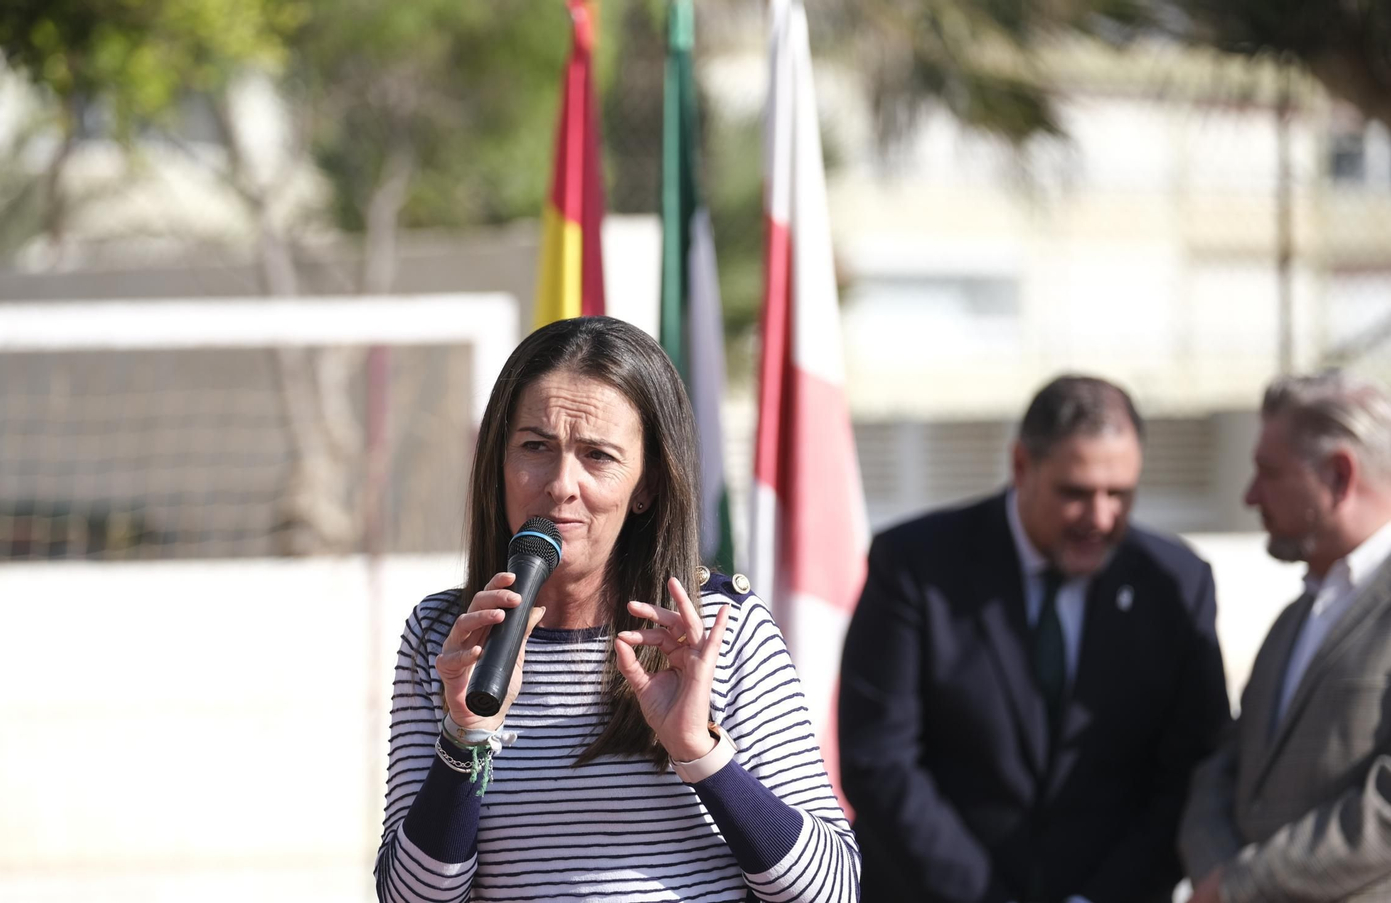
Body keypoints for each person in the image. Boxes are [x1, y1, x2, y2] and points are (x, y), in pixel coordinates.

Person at [374, 316, 861, 902]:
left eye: (597, 456)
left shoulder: (716, 630)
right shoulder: (444, 636)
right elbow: (411, 897)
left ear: (646, 485)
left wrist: (700, 752)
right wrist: (465, 735)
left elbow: (831, 889)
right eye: (535, 447)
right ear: (498, 463)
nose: (561, 484)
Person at [838, 375, 1230, 903]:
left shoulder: (1176, 584)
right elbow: (879, 761)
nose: (1100, 517)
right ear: (1022, 465)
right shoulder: (915, 566)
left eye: (1119, 494)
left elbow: (1193, 770)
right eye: (1075, 493)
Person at [1179, 371, 1391, 903]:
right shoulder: (1297, 617)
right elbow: (1225, 765)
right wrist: (1216, 872)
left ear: (1339, 476)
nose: (1250, 495)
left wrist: (1245, 884)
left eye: (1269, 472)